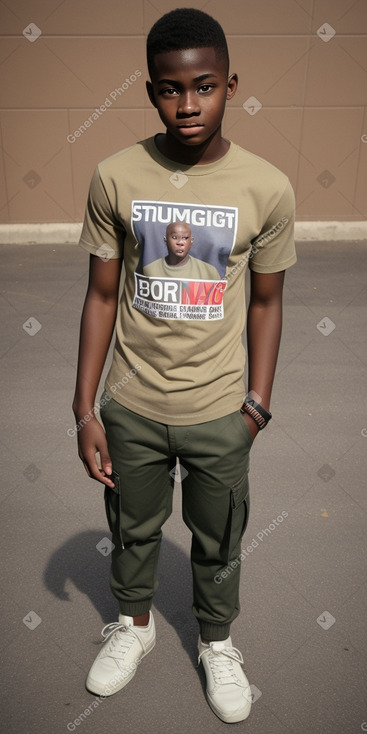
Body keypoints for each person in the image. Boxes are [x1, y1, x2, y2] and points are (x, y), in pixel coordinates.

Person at [72, 7, 296, 724]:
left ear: (230, 84)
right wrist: (85, 410)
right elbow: (101, 294)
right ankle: (132, 629)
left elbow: (266, 303)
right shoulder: (115, 175)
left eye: (204, 86)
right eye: (171, 89)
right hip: (130, 407)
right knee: (133, 528)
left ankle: (216, 642)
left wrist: (256, 404)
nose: (188, 104)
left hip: (218, 410)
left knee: (219, 539)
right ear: (151, 92)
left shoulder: (266, 187)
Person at [143, 221, 220, 278]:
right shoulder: (149, 270)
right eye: (174, 237)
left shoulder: (209, 271)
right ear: (165, 239)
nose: (180, 242)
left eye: (185, 238)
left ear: (191, 241)